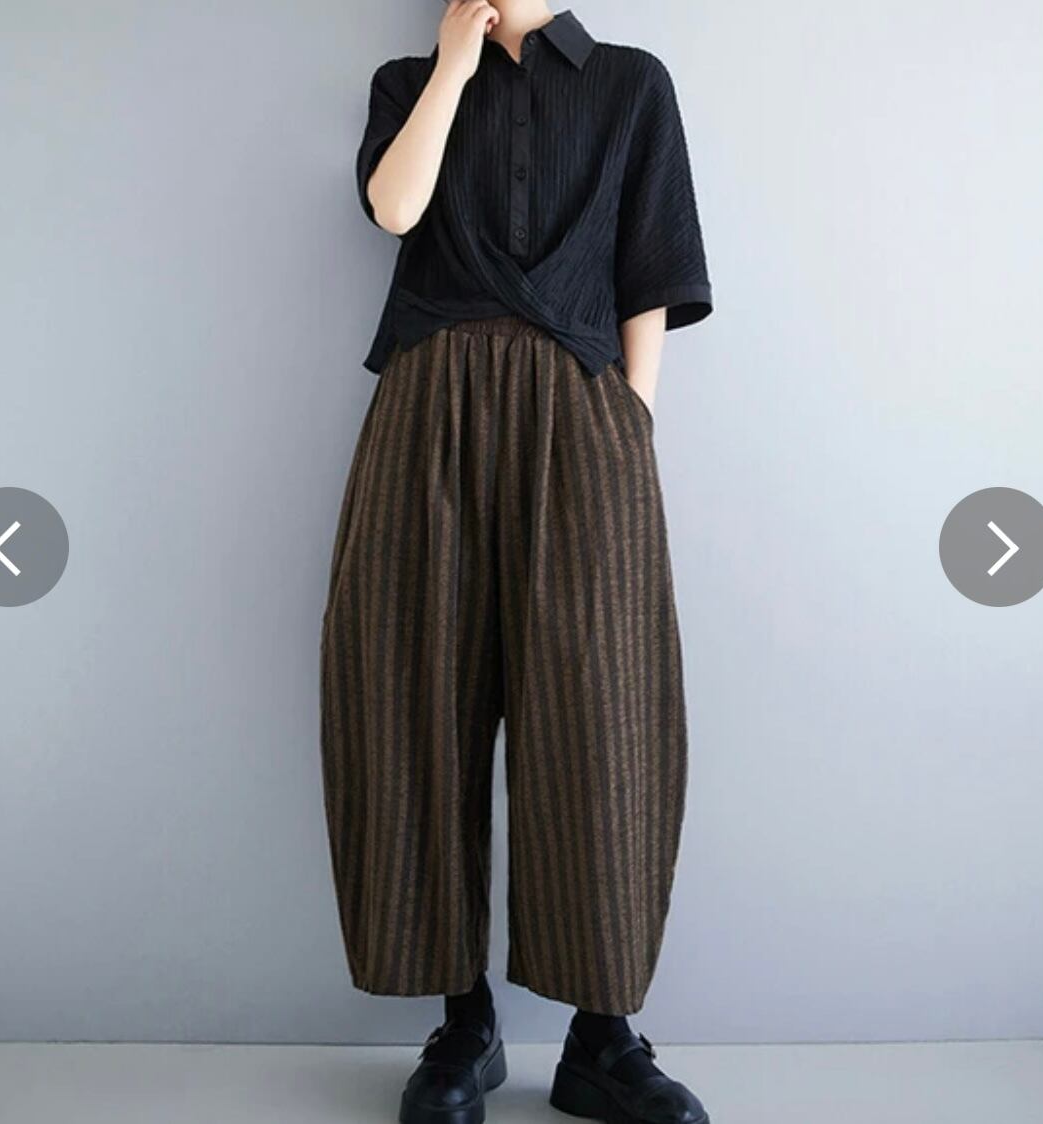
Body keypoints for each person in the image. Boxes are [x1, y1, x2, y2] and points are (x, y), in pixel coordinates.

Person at [319, 3, 714, 1121]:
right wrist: (453, 64)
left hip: (581, 414)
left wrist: (630, 426)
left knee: (602, 717)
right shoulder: (408, 80)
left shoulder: (633, 83)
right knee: (414, 704)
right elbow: (395, 207)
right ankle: (463, 1023)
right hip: (427, 409)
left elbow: (651, 267)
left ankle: (604, 1036)